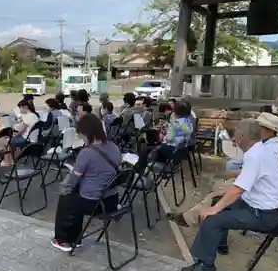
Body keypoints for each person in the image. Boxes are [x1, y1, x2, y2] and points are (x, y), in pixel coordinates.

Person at [181, 119, 278, 271]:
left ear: (242, 137)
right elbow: (246, 185)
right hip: (260, 207)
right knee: (218, 199)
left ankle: (205, 265)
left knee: (212, 218)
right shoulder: (261, 150)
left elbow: (238, 190)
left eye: (235, 134)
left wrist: (214, 210)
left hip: (264, 215)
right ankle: (219, 243)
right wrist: (224, 195)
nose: (233, 139)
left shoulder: (255, 156)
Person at [168, 113, 278, 229]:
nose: (256, 129)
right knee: (219, 191)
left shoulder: (267, 150)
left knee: (219, 192)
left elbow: (245, 181)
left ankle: (195, 220)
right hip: (255, 190)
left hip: (259, 200)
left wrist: (225, 175)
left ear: (268, 130)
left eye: (259, 126)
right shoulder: (264, 146)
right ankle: (192, 218)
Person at [51, 114, 121, 251]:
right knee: (74, 196)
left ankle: (65, 240)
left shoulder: (86, 153)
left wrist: (70, 177)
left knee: (66, 197)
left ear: (85, 133)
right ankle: (74, 238)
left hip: (95, 202)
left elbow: (73, 181)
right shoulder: (114, 147)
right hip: (111, 199)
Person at [136, 100, 193, 175]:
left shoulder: (176, 124)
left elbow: (168, 138)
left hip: (172, 151)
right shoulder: (187, 122)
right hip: (182, 151)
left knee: (146, 148)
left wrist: (164, 135)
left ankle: (139, 172)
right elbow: (183, 132)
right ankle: (160, 168)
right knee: (155, 148)